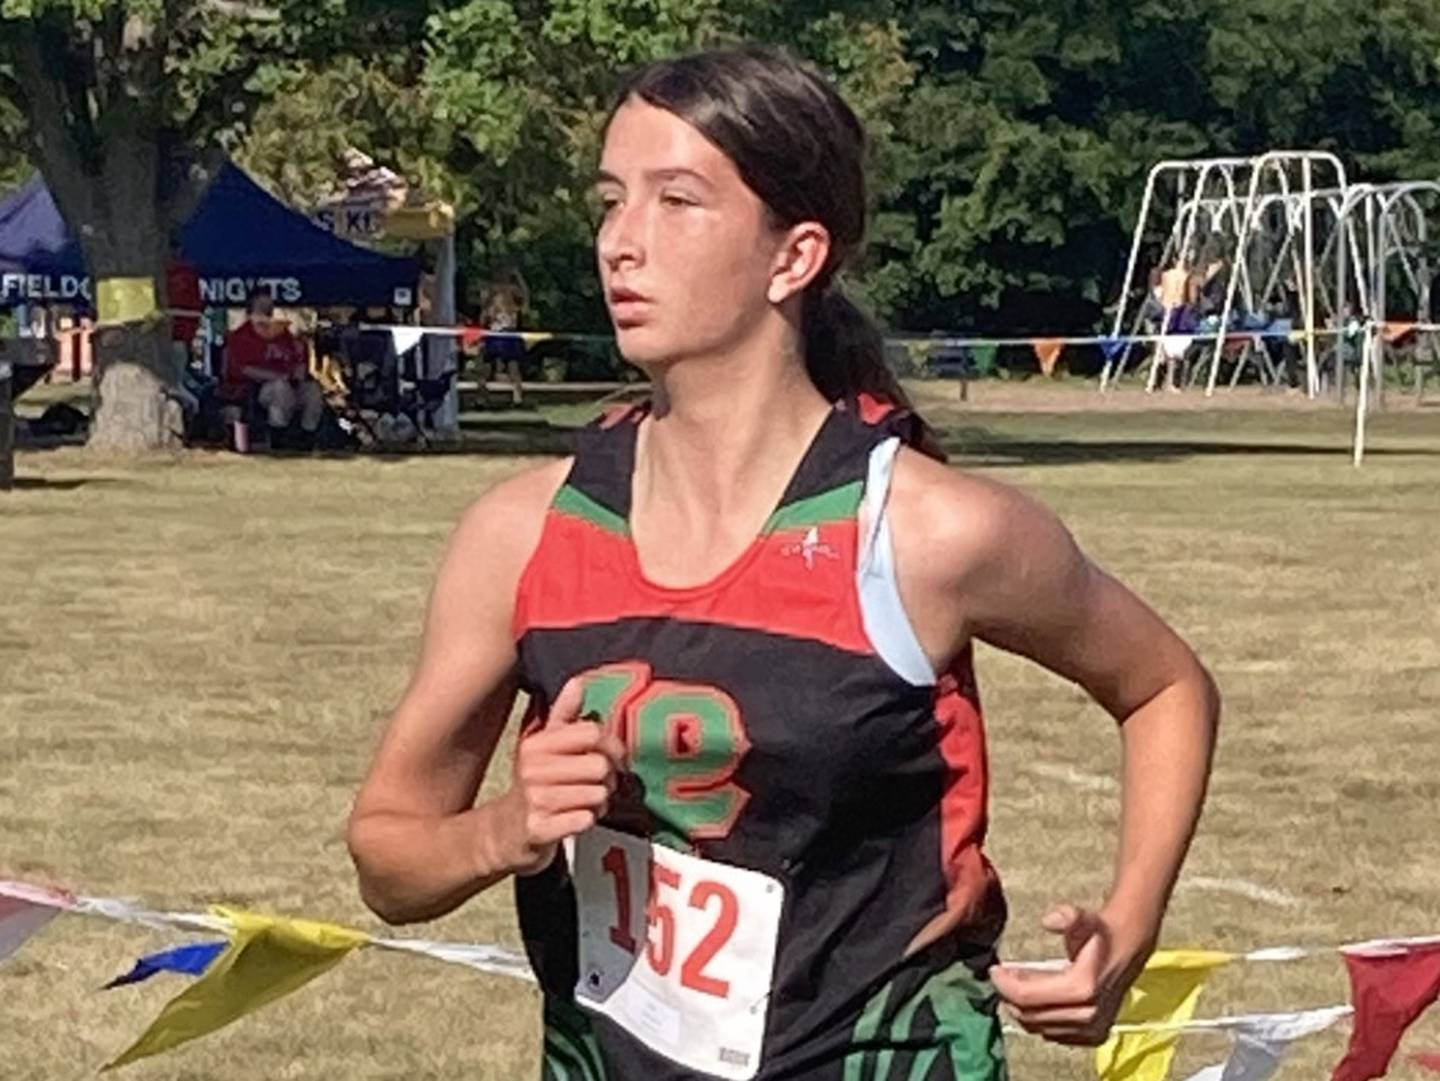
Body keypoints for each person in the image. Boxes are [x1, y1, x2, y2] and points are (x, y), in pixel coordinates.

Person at [348, 47, 1219, 1080]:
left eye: (679, 202)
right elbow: (387, 857)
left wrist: (1131, 922)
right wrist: (500, 828)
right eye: (612, 201)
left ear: (793, 255)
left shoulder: (927, 530)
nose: (622, 244)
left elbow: (1166, 685)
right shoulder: (524, 530)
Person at [221, 290, 324, 449]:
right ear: (251, 310)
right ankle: (279, 438)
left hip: (292, 383)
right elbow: (243, 369)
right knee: (279, 389)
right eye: (261, 307)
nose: (266, 312)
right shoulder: (240, 337)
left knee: (313, 390)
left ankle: (307, 437)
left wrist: (299, 368)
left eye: (269, 307)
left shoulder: (281, 334)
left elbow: (297, 359)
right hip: (257, 388)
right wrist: (276, 376)